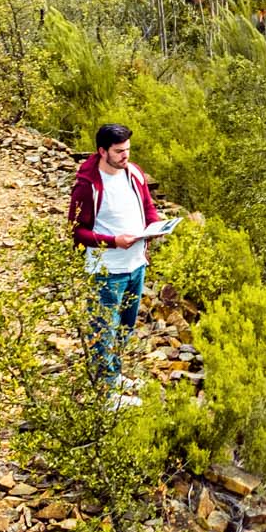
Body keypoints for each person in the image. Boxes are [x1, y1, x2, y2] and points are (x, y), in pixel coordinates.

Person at [65, 122, 183, 405]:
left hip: (135, 265)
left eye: (128, 150)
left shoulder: (134, 174)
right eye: (119, 151)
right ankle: (106, 397)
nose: (125, 156)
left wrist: (156, 227)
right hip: (107, 271)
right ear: (102, 151)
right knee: (103, 330)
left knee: (124, 328)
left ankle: (114, 375)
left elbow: (148, 207)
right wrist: (113, 241)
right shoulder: (87, 186)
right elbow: (76, 232)